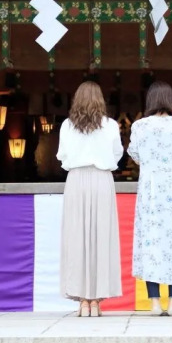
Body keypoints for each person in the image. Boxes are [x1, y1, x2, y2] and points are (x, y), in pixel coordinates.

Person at [57, 81, 124, 317]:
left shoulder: (67, 125)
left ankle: (83, 301)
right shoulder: (110, 125)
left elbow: (62, 156)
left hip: (76, 180)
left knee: (77, 238)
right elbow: (117, 154)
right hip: (102, 180)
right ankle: (96, 300)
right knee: (101, 238)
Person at [127, 81, 172, 316]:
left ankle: (154, 302)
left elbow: (135, 155)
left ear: (150, 101)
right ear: (171, 100)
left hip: (150, 192)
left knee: (151, 243)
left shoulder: (139, 126)